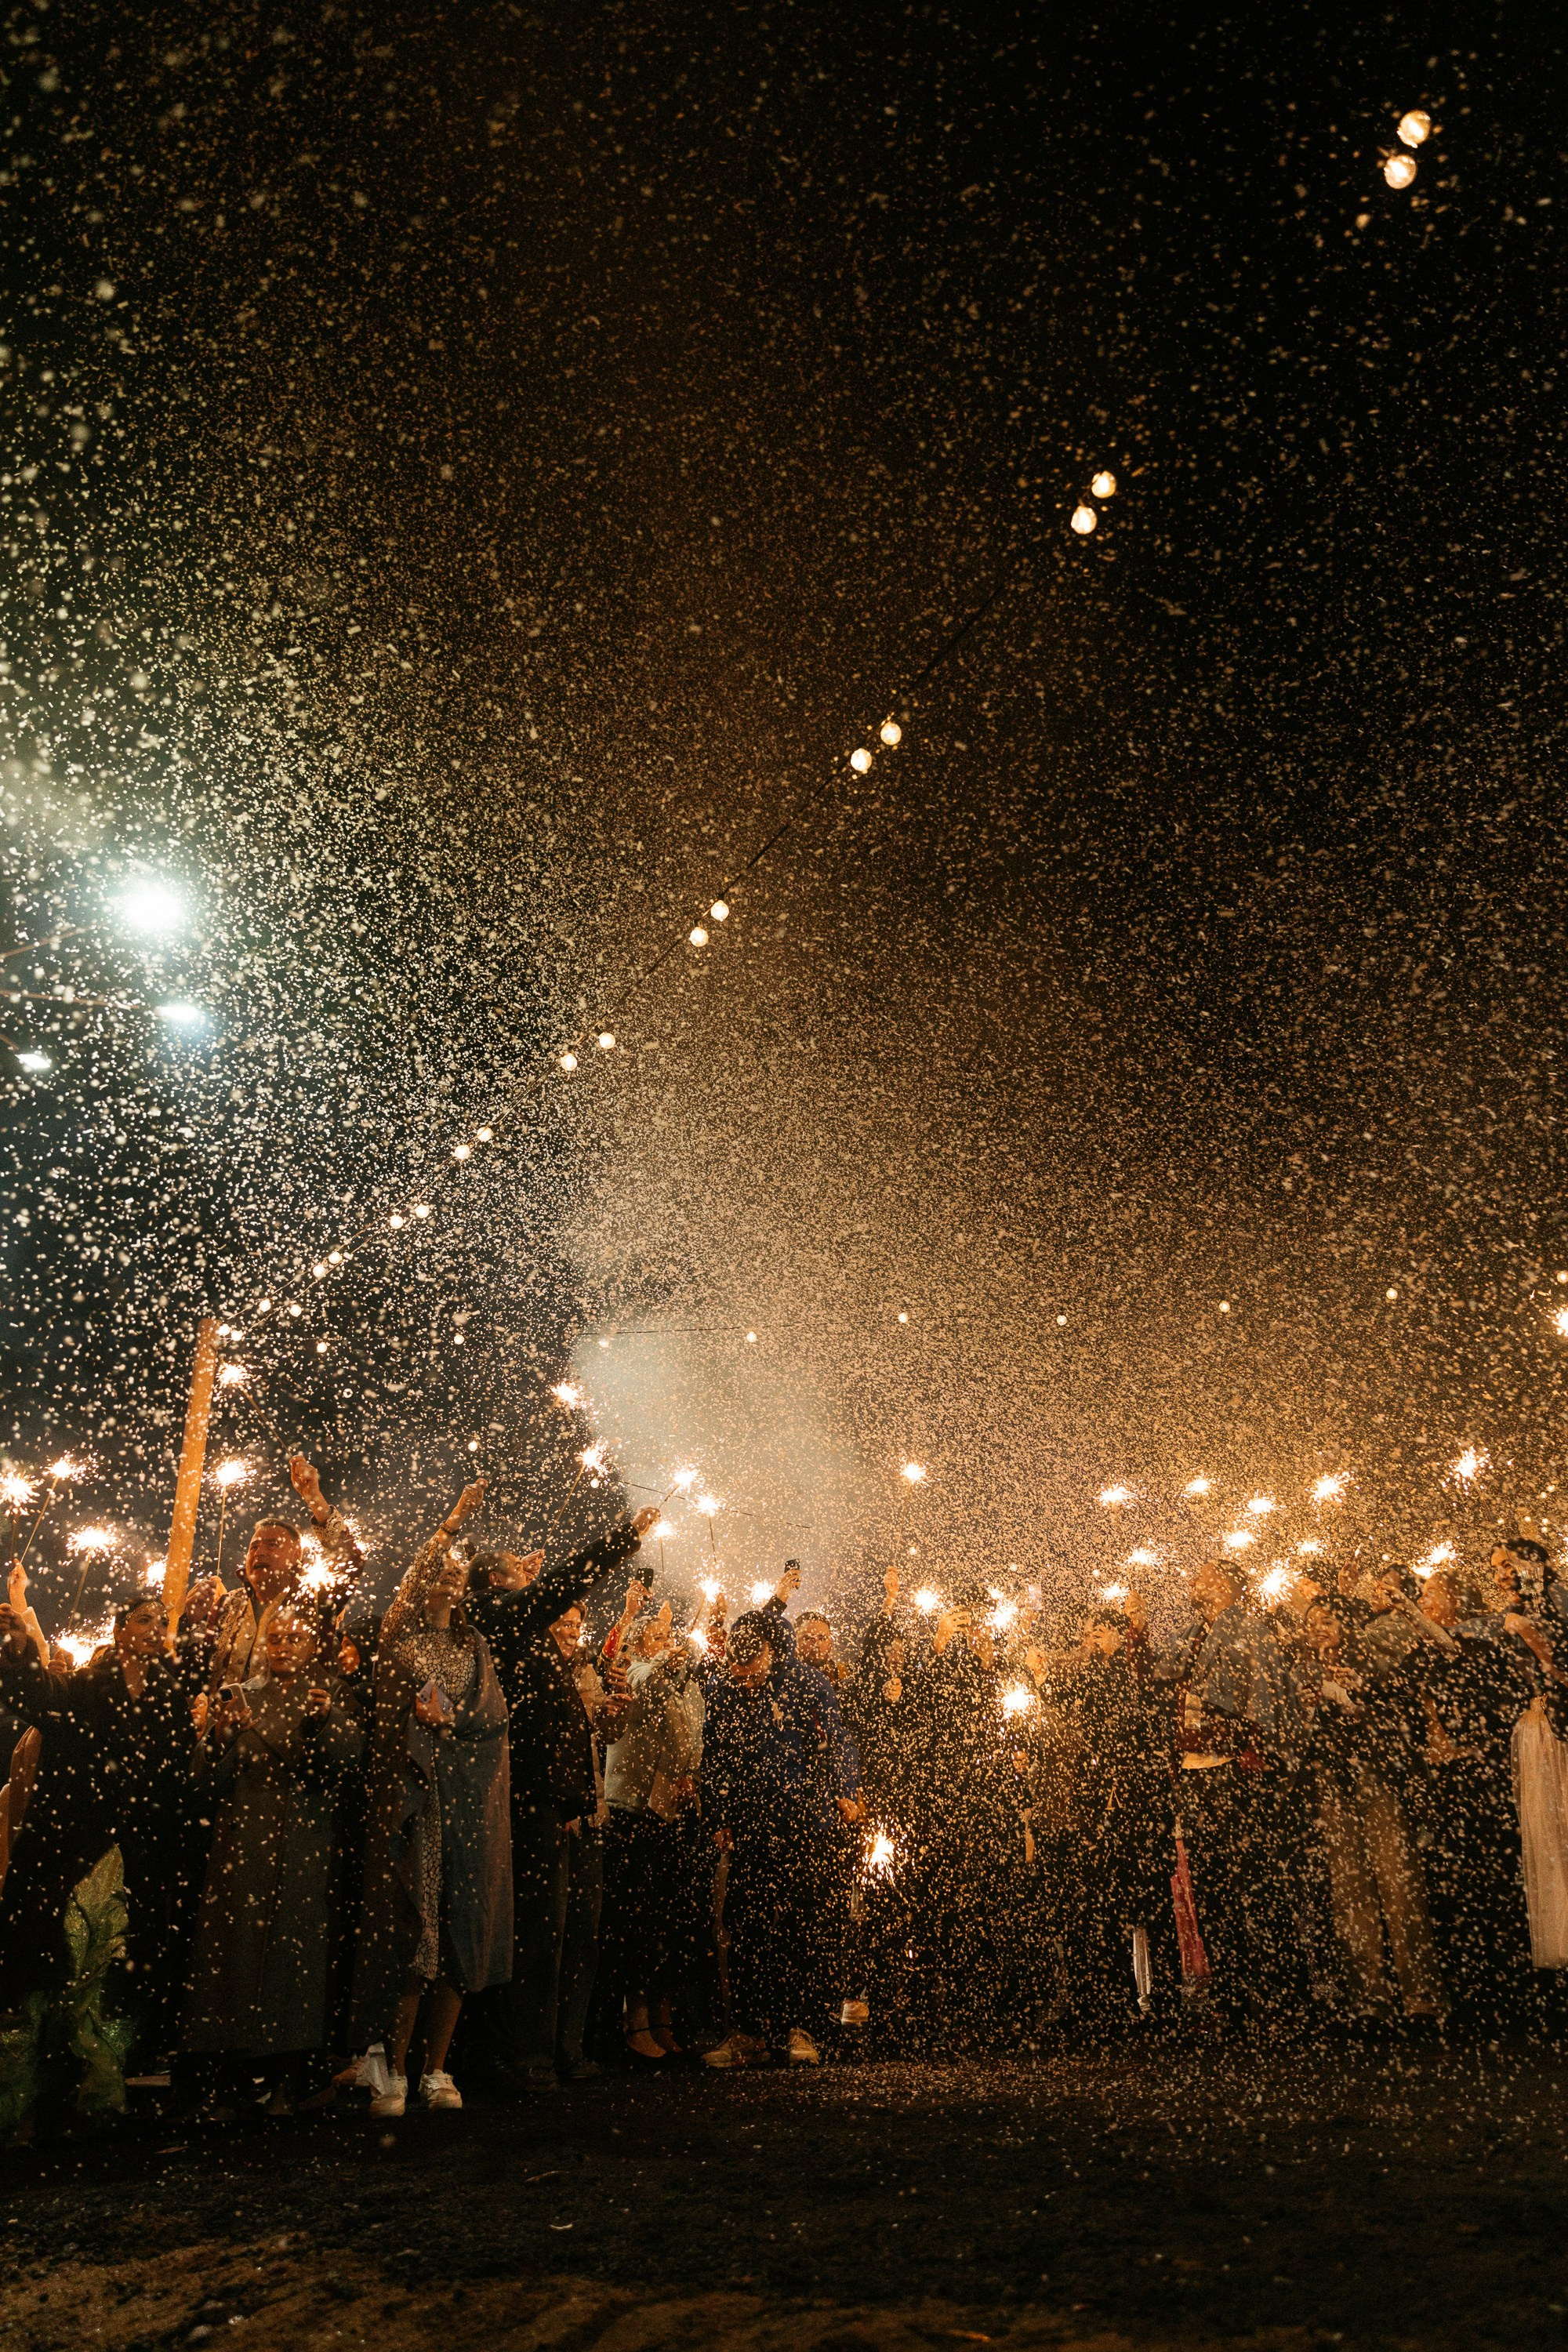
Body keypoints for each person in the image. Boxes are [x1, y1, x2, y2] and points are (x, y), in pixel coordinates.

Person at [463, 1502, 657, 2085]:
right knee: (538, 1934)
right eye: (523, 1580)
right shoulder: (497, 1615)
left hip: (563, 1800)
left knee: (568, 1934)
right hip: (531, 1797)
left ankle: (555, 2049)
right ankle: (527, 2054)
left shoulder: (513, 1620)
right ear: (500, 1583)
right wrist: (625, 1535)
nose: (537, 1588)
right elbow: (564, 1584)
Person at [350, 1477, 507, 2115]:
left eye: (453, 1576)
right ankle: (388, 2067)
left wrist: (455, 1725)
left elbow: (492, 1718)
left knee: (458, 1933)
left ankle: (436, 2069)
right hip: (413, 1807)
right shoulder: (397, 1639)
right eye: (435, 1574)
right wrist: (452, 1521)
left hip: (465, 1804)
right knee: (411, 1935)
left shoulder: (475, 1647)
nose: (444, 1581)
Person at [180, 1597, 365, 2113]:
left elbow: (350, 1758)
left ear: (312, 1645)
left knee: (295, 1958)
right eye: (277, 1638)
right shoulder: (237, 1694)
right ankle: (232, 2070)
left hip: (306, 1844)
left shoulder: (328, 1693)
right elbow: (203, 1775)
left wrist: (323, 1722)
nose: (284, 1647)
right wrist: (222, 1735)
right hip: (244, 1843)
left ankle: (292, 2073)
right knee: (233, 1957)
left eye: (294, 1638)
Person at [0, 1592, 199, 2055]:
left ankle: (104, 2076)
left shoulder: (170, 1698)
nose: (155, 1628)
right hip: (76, 1846)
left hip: (137, 1853)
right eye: (142, 1619)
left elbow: (176, 1778)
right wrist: (20, 1649)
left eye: (162, 1620)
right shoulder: (85, 1686)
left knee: (119, 1966)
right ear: (119, 1630)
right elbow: (38, 1694)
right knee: (59, 1956)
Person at [701, 1615, 825, 2067]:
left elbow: (836, 1743)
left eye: (753, 1674)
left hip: (799, 1824)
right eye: (740, 1676)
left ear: (769, 1656)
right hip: (749, 1827)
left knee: (797, 1927)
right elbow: (714, 1757)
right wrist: (718, 1815)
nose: (747, 1683)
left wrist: (839, 1795)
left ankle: (798, 2027)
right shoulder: (725, 1691)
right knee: (746, 1927)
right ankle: (748, 2032)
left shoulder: (805, 1685)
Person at [1417, 1570, 1535, 2020]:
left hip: (1478, 1774)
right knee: (1458, 1876)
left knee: (1495, 1874)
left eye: (1431, 1594)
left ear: (1458, 1599)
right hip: (1448, 1777)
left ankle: (1507, 1985)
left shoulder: (1479, 1645)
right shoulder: (1428, 1649)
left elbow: (1495, 1706)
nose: (1423, 1600)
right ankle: (1477, 1986)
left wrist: (1465, 1741)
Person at [601, 1594, 707, 2063]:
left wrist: (690, 1774)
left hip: (671, 1812)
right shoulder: (633, 1672)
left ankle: (664, 2020)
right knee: (634, 1924)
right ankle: (634, 2022)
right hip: (632, 1808)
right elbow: (642, 1681)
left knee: (671, 1924)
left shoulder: (687, 1686)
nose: (667, 1644)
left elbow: (694, 1734)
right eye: (657, 1637)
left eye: (670, 1636)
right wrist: (661, 1656)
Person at [190, 1456, 361, 1694]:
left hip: (289, 1725)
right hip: (222, 1724)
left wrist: (315, 1500)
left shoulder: (315, 1600)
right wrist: (192, 1622)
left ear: (296, 1557)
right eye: (254, 1547)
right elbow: (198, 1673)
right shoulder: (228, 1604)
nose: (259, 1553)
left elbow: (350, 1561)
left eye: (272, 1545)